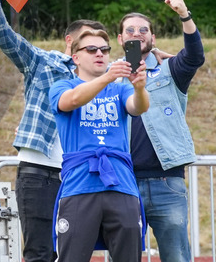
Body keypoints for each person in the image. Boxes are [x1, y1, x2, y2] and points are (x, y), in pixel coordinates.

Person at [0, 0, 106, 262]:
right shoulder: (43, 62)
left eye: (101, 45)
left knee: (76, 253)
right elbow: (4, 36)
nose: (97, 50)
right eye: (88, 42)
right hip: (40, 172)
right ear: (70, 42)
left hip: (82, 174)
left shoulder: (106, 75)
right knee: (39, 252)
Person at [49, 29, 149, 262]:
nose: (100, 54)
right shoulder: (61, 85)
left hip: (120, 184)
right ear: (76, 58)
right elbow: (71, 101)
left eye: (105, 50)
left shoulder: (120, 88)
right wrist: (107, 77)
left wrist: (139, 87)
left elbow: (139, 107)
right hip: (80, 185)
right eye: (91, 49)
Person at [117, 0, 204, 262]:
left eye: (143, 30)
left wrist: (184, 15)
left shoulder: (169, 70)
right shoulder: (108, 77)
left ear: (153, 37)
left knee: (176, 256)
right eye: (130, 30)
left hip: (167, 182)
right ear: (120, 40)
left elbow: (194, 56)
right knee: (123, 256)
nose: (137, 34)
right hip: (123, 182)